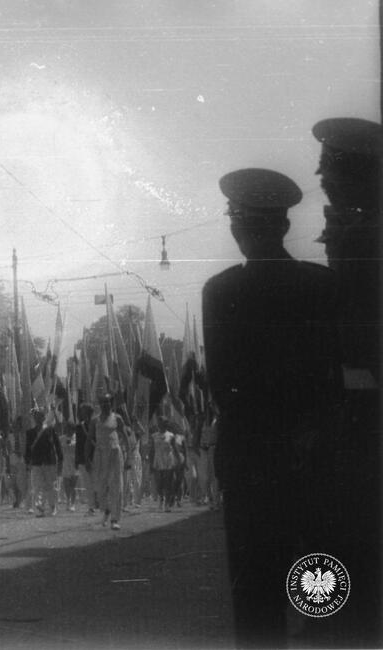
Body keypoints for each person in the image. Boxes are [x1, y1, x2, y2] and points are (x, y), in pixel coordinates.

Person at [202, 167, 342, 648]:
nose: (239, 231)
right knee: (320, 593)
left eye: (239, 223)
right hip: (313, 461)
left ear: (239, 227)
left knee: (256, 601)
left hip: (250, 464)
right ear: (284, 225)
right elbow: (334, 379)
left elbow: (223, 386)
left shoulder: (220, 292)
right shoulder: (321, 285)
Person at [310, 118, 382, 646]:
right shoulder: (358, 229)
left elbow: (358, 342)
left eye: (329, 166)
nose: (319, 174)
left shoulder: (364, 238)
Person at [92, 394, 126, 530]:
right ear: (100, 404)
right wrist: (87, 458)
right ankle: (106, 509)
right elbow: (89, 439)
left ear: (111, 403)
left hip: (114, 453)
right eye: (103, 402)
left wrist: (128, 455)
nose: (105, 404)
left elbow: (125, 436)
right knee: (100, 486)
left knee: (116, 485)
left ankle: (115, 519)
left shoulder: (117, 418)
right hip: (100, 455)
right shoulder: (95, 420)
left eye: (108, 402)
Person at [24, 408, 63, 517]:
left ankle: (52, 506)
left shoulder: (50, 430)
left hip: (49, 462)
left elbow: (57, 446)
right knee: (37, 487)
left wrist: (60, 459)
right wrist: (27, 462)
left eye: (40, 416)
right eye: (36, 416)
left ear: (44, 417)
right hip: (36, 463)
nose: (38, 418)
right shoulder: (30, 433)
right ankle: (40, 508)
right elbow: (28, 449)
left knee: (51, 486)